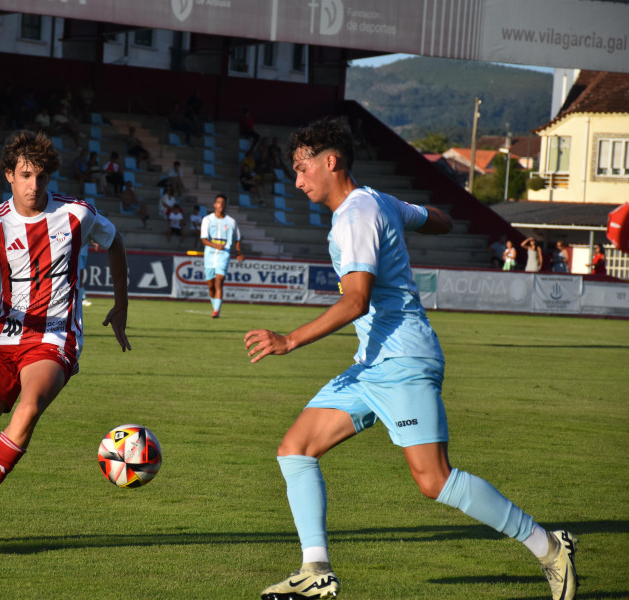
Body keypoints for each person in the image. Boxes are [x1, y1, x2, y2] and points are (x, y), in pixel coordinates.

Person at [243, 115, 578, 600]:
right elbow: (438, 219)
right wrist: (412, 223)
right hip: (372, 363)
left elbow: (356, 300)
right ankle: (315, 570)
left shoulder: (357, 216)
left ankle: (548, 545)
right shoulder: (378, 202)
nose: (296, 181)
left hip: (402, 360)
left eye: (301, 168)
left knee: (434, 480)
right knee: (295, 449)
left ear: (329, 161)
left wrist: (289, 340)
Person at [0, 129, 130, 546]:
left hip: (55, 338)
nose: (34, 185)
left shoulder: (77, 214)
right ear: (9, 175)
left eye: (41, 176)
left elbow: (116, 243)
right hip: (0, 340)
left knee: (28, 409)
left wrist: (122, 305)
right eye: (25, 175)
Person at [201, 194, 242, 318]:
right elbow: (203, 239)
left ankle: (216, 311)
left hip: (224, 254)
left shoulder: (231, 222)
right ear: (214, 204)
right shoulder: (207, 220)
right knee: (211, 285)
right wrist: (215, 245)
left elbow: (238, 238)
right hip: (209, 255)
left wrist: (238, 252)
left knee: (219, 281)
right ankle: (215, 306)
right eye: (218, 202)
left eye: (223, 203)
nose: (220, 205)